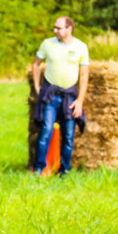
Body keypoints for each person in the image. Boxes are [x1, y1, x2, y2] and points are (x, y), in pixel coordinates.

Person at [31, 16, 88, 175]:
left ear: (69, 29)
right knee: (46, 130)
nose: (55, 30)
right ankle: (38, 168)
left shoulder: (81, 47)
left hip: (69, 97)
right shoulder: (47, 44)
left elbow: (84, 76)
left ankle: (64, 170)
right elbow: (36, 64)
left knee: (68, 135)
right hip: (51, 96)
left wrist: (80, 101)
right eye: (54, 27)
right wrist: (37, 86)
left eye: (59, 28)